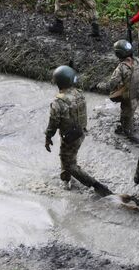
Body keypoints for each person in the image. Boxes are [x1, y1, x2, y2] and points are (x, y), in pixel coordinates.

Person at [45, 65, 112, 196]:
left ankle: (96, 185)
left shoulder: (57, 102)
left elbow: (53, 124)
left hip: (69, 136)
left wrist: (48, 137)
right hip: (80, 132)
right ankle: (66, 179)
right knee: (66, 156)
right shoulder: (80, 94)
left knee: (69, 164)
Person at [98, 40, 139, 138]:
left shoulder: (121, 67)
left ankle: (128, 132)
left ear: (118, 54)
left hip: (129, 96)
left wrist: (101, 86)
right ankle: (129, 122)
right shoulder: (138, 61)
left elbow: (112, 84)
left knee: (126, 114)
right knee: (132, 110)